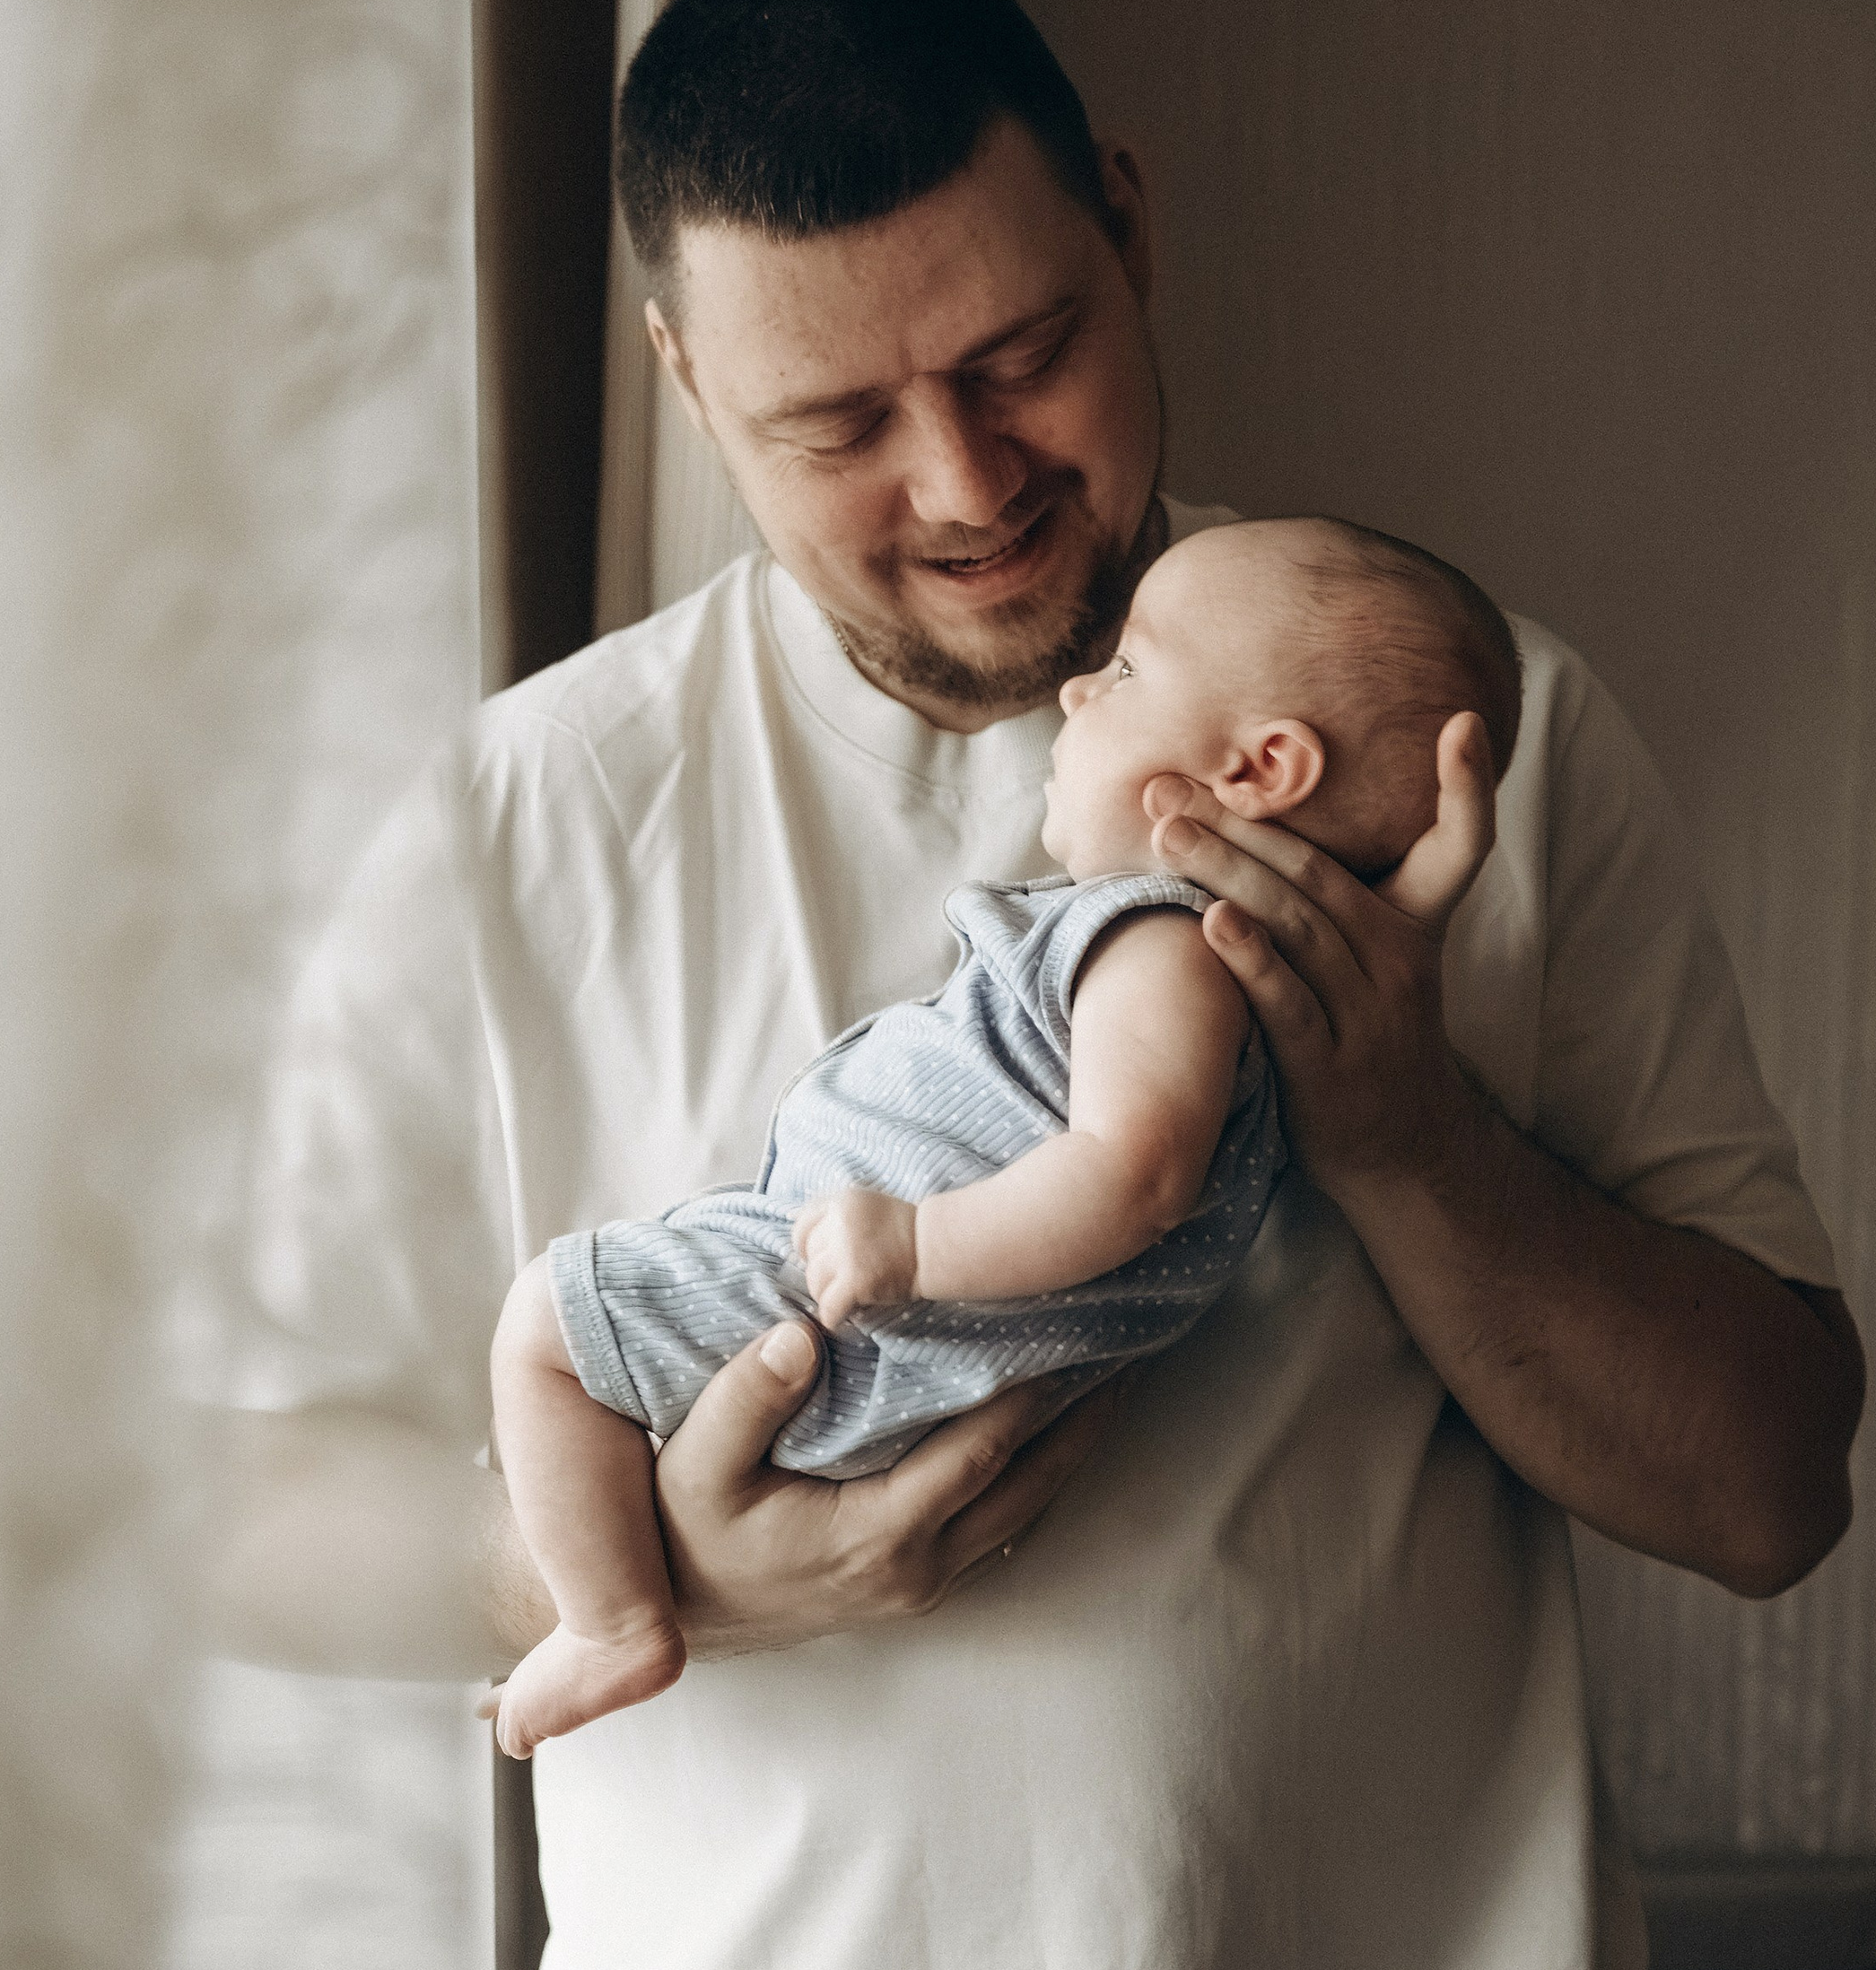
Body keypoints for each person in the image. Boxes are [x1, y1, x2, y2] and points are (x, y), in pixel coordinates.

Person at [223, 0, 1865, 1970]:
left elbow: (1768, 1483)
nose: (969, 484)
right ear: (679, 377)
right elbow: (225, 1504)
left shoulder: (1455, 744)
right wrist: (676, 1577)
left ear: (1129, 227)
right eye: (837, 424)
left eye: (1023, 355)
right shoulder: (520, 830)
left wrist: (1404, 1134)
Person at [483, 517, 1519, 1753]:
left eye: (1130, 669)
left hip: (866, 1313)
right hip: (896, 1325)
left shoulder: (1158, 942)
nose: (1081, 685)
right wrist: (1394, 905)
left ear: (1258, 771)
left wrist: (917, 1244)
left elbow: (1132, 1174)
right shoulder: (1248, 989)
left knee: (544, 1324)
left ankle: (610, 1623)